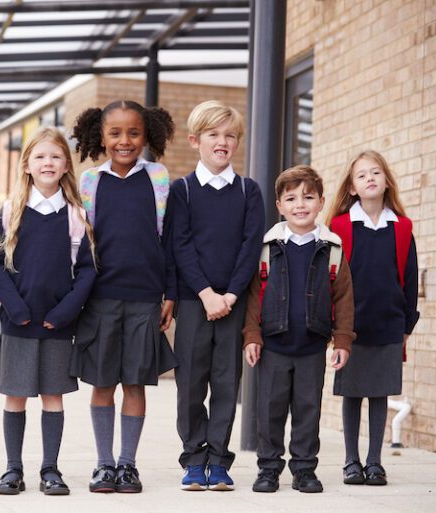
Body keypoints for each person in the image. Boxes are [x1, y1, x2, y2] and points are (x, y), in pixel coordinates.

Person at [70, 100, 177, 494]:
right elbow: (82, 243)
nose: (124, 140)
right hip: (100, 299)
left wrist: (171, 294)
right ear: (101, 137)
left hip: (146, 298)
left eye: (133, 132)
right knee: (102, 383)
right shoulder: (89, 182)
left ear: (146, 134)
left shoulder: (159, 178)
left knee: (135, 384)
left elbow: (167, 241)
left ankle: (128, 465)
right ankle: (103, 464)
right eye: (115, 133)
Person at [0, 126, 97, 496]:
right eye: (40, 156)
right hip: (19, 321)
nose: (48, 162)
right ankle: (12, 469)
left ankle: (50, 469)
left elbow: (86, 270)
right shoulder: (11, 210)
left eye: (55, 156)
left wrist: (66, 311)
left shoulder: (75, 214)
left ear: (67, 164)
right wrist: (15, 308)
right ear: (27, 164)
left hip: (57, 324)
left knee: (53, 396)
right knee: (15, 395)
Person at [169, 100, 265, 491]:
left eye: (229, 135)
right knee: (191, 382)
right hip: (195, 302)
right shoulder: (183, 191)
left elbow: (250, 246)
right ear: (195, 141)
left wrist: (228, 295)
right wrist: (206, 293)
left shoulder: (248, 191)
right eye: (213, 135)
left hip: (233, 302)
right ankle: (194, 459)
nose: (221, 142)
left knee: (227, 382)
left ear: (238, 141)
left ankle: (219, 462)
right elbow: (180, 244)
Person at [242, 165, 355, 494]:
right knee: (269, 411)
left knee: (308, 411)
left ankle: (304, 469)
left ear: (321, 202)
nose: (300, 204)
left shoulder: (331, 248)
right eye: (291, 198)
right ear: (279, 205)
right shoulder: (268, 247)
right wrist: (252, 335)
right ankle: (268, 469)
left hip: (312, 346)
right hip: (273, 347)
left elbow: (344, 297)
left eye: (308, 197)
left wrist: (343, 340)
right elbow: (253, 297)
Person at [326, 150, 419, 486]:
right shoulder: (339, 227)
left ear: (386, 181)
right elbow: (329, 279)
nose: (370, 179)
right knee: (352, 393)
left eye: (376, 173)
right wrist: (335, 328)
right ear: (351, 187)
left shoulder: (403, 228)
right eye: (362, 175)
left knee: (380, 393)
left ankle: (375, 462)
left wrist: (407, 325)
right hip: (350, 327)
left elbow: (410, 279)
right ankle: (351, 461)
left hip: (389, 323)